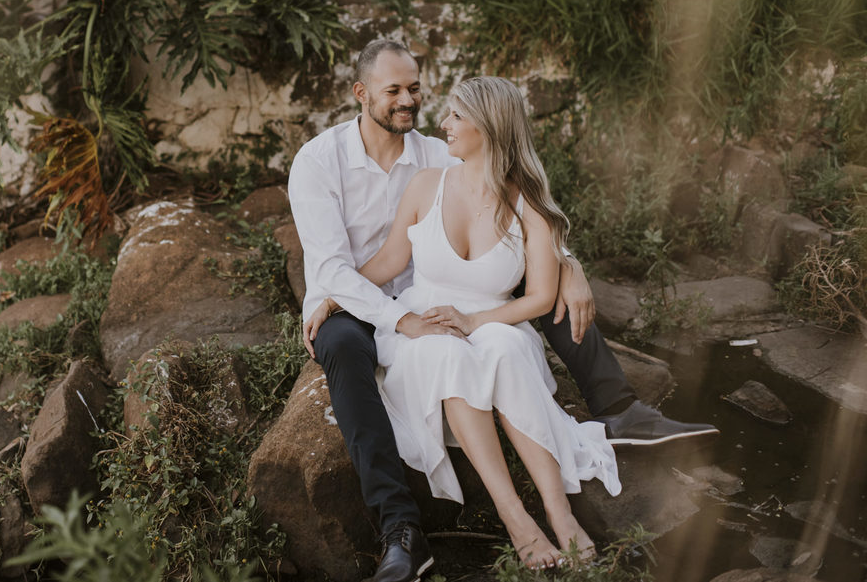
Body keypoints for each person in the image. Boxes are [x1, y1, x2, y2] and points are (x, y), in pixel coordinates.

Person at [287, 39, 717, 582]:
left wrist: (568, 264)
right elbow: (339, 270)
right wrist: (379, 312)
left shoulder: (437, 153)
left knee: (541, 300)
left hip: (441, 291)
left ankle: (619, 406)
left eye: (415, 89)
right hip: (355, 298)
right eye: (394, 90)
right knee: (348, 349)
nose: (410, 101)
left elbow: (516, 202)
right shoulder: (319, 162)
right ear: (361, 93)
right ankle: (401, 528)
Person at [314, 75, 621, 569]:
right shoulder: (427, 185)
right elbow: (391, 261)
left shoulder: (529, 204)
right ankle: (516, 519)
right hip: (428, 322)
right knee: (444, 351)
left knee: (502, 349)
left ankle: (560, 514)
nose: (444, 123)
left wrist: (476, 319)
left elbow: (541, 298)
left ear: (489, 126)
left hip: (497, 318)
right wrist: (335, 295)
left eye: (457, 115)